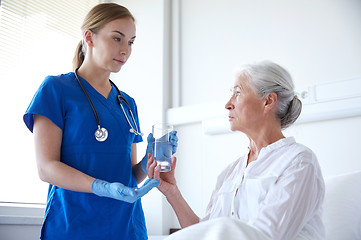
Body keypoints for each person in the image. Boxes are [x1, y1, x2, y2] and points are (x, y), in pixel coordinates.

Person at [23, 3, 177, 240]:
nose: (125, 50)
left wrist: (151, 158)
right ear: (89, 37)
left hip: (126, 227)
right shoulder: (56, 90)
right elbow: (46, 168)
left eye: (131, 42)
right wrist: (101, 187)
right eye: (117, 38)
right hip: (74, 225)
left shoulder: (127, 103)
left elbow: (129, 176)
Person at [147, 60, 325, 240]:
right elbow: (203, 232)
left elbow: (266, 236)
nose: (227, 104)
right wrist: (173, 193)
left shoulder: (298, 162)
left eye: (238, 93)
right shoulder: (230, 173)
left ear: (268, 101)